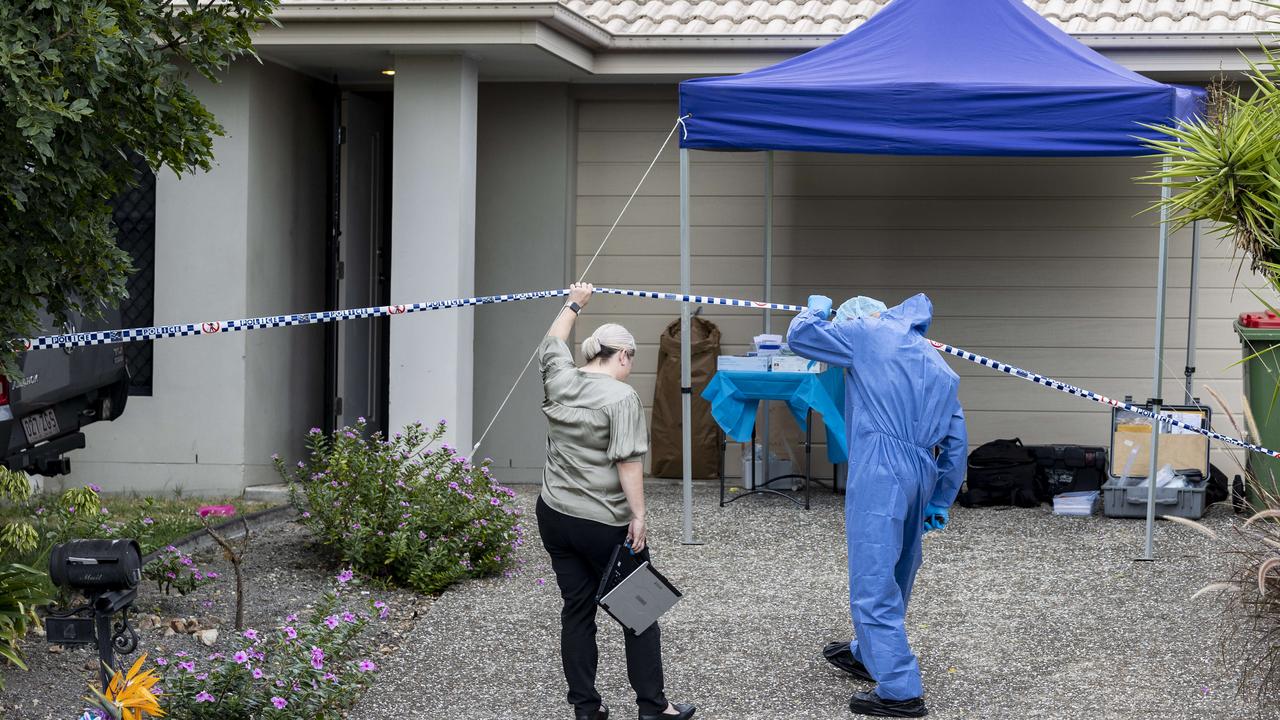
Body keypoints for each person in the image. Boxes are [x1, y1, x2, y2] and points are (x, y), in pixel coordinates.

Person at [787, 293, 967, 718]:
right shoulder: (937, 362)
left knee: (872, 576)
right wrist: (940, 497)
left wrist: (815, 308)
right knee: (900, 567)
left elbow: (801, 336)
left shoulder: (865, 331)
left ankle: (899, 688)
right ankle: (870, 653)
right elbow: (957, 442)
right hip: (922, 469)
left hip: (882, 469)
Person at [536, 282, 696, 720]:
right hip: (603, 522)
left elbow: (553, 341)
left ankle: (586, 710)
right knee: (639, 613)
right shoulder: (621, 397)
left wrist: (574, 302)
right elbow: (628, 463)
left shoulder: (559, 377)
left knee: (577, 610)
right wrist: (639, 516)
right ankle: (653, 708)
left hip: (554, 514)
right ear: (622, 355)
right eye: (631, 360)